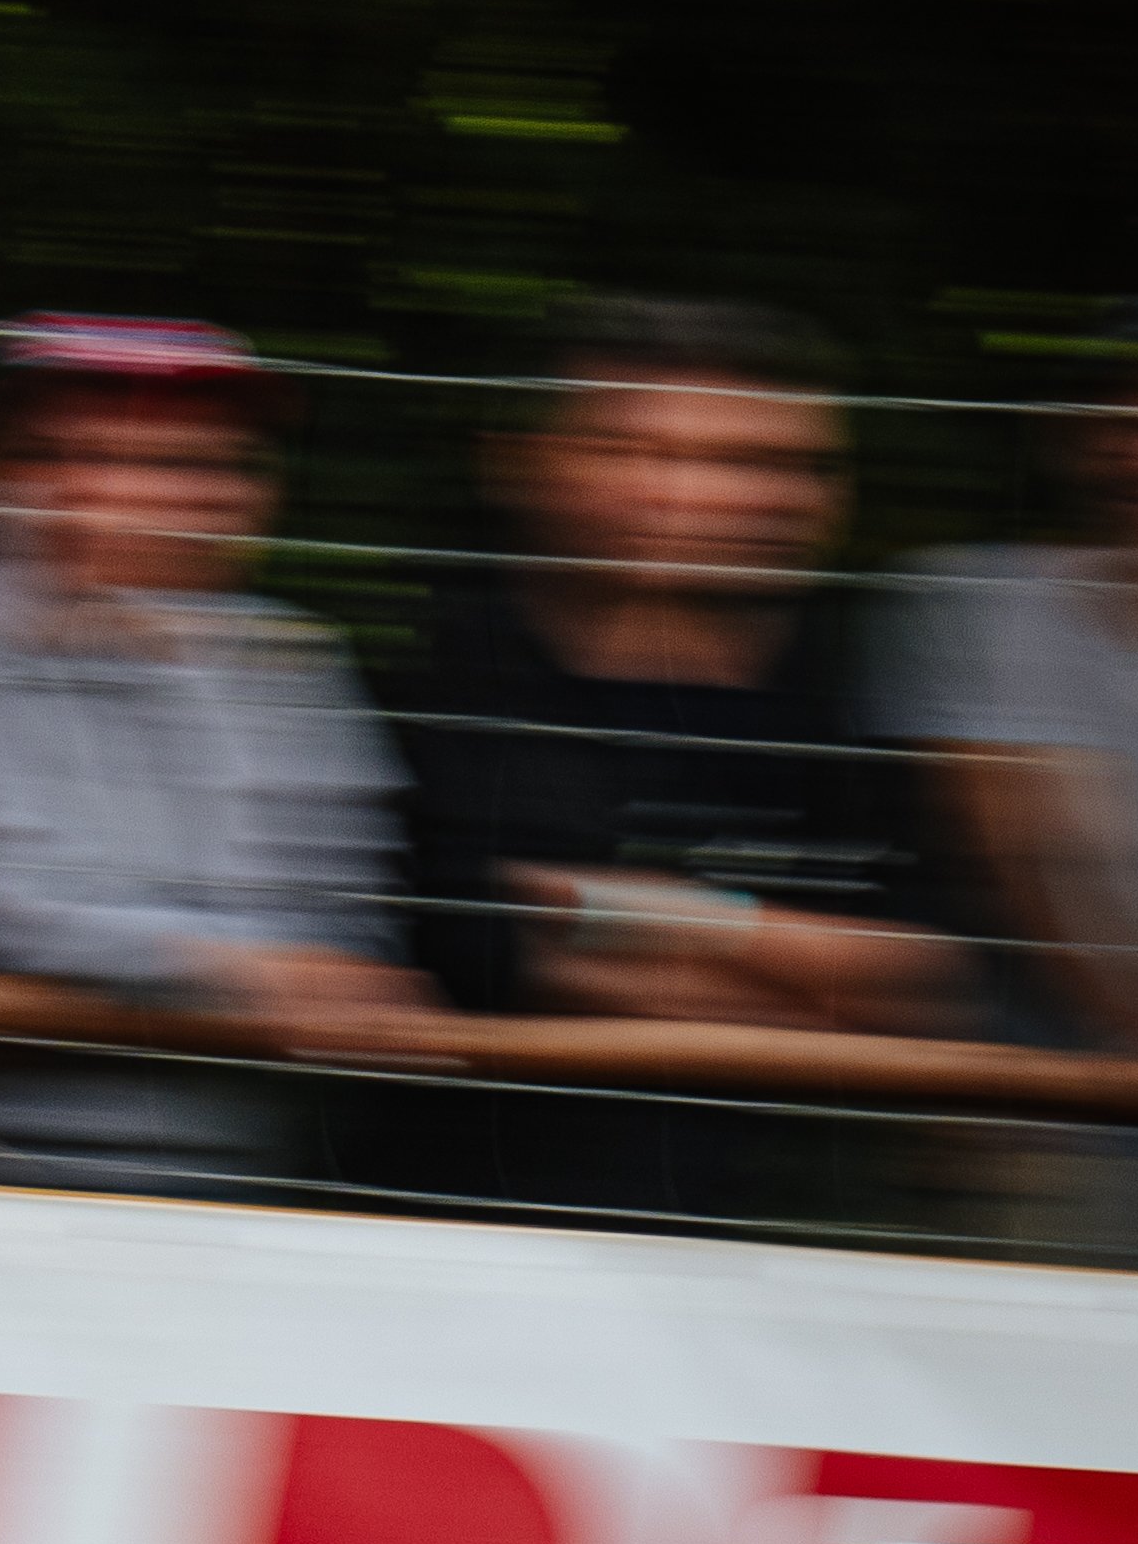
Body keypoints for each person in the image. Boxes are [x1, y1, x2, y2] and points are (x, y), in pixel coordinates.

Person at [389, 294, 962, 1231]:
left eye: (781, 464)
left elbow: (929, 979)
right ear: (523, 464)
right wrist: (830, 986)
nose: (735, 498)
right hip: (484, 1232)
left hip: (812, 1245)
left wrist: (664, 916)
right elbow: (519, 949)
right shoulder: (448, 683)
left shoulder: (863, 687)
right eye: (650, 453)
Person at [0, 316, 433, 1181]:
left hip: (232, 1174)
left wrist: (246, 968)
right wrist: (224, 965)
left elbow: (339, 930)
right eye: (135, 459)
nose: (207, 496)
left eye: (216, 463)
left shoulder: (291, 658)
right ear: (15, 473)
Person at [878, 301, 1138, 1252]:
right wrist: (1135, 1026)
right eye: (1125, 424)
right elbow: (1031, 854)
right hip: (1054, 1105)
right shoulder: (979, 602)